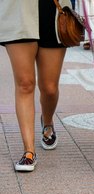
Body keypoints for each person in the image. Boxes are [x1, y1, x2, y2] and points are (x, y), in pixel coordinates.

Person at [0, 0, 69, 171]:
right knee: (25, 84)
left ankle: (47, 121)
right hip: (17, 11)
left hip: (54, 10)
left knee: (49, 88)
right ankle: (29, 151)